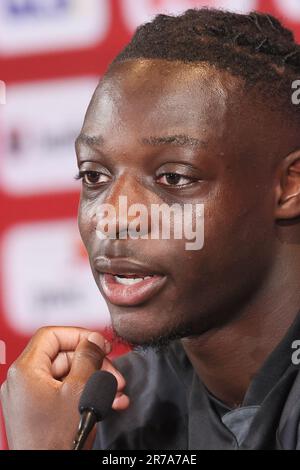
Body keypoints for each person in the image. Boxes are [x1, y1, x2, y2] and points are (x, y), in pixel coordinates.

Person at [1, 8, 300, 450]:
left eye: (174, 178)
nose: (114, 217)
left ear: (288, 186)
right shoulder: (105, 415)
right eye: (94, 176)